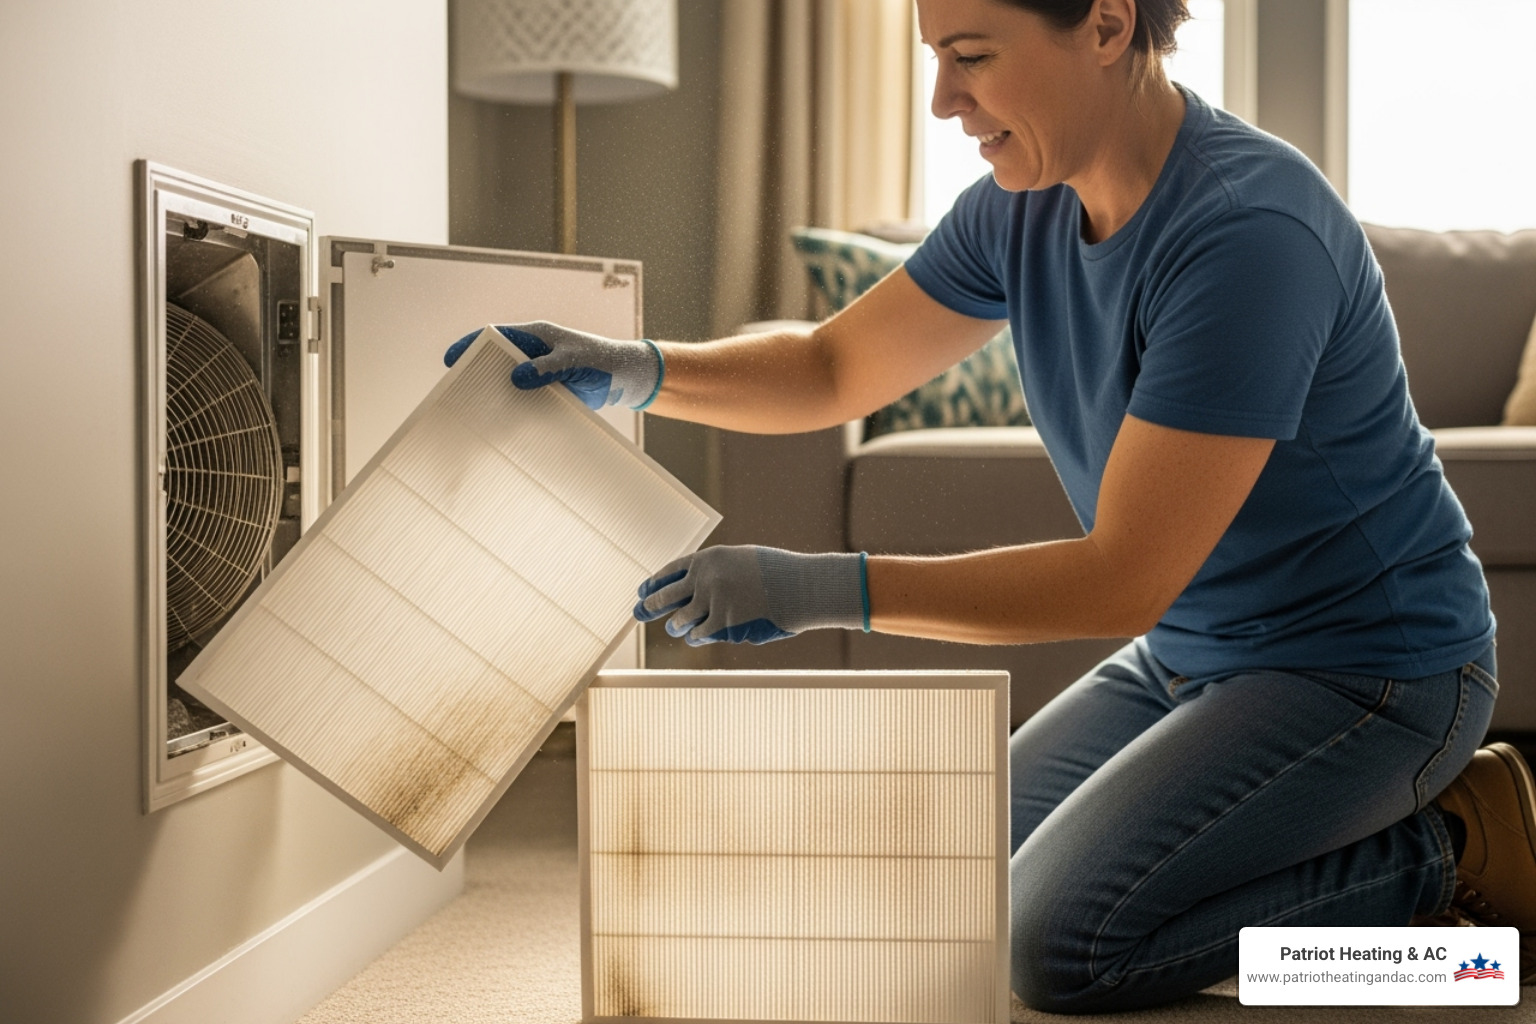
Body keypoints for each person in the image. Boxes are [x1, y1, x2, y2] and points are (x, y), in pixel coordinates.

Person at [446, 0, 1536, 1011]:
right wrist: (638, 366)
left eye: (971, 57)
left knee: (1059, 945)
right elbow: (833, 367)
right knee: (929, 880)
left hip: (1373, 669)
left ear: (1107, 24)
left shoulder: (1249, 236)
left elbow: (1122, 575)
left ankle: (1446, 854)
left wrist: (818, 586)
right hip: (1191, 658)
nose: (942, 101)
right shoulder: (1021, 211)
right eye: (933, 59)